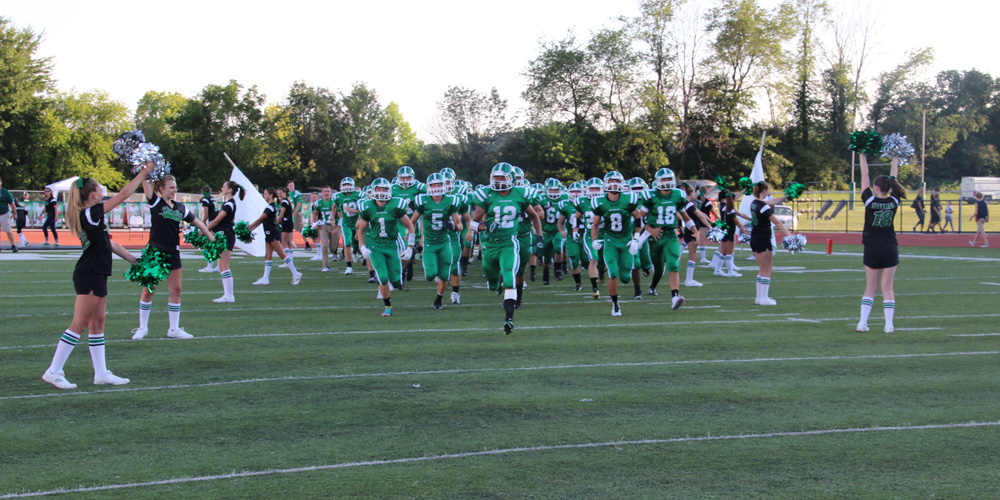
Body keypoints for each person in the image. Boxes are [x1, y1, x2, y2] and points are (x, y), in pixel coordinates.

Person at [41, 162, 152, 389]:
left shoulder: (94, 217)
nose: (104, 193)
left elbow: (109, 244)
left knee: (98, 324)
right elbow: (122, 195)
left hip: (98, 273)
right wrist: (143, 173)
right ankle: (54, 370)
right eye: (101, 190)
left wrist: (136, 261)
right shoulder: (90, 213)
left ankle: (101, 373)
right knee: (79, 324)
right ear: (93, 195)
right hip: (89, 274)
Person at [132, 175, 218, 340]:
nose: (175, 190)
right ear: (162, 189)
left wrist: (212, 240)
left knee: (176, 290)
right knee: (149, 290)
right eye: (171, 187)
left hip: (173, 252)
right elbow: (145, 184)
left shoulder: (180, 208)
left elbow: (199, 223)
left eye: (175, 187)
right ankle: (142, 328)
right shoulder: (156, 202)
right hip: (155, 252)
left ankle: (174, 329)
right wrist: (147, 170)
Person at [467, 163, 542, 333]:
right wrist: (485, 227)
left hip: (510, 242)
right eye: (496, 177)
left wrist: (539, 237)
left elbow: (535, 215)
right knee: (493, 283)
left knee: (510, 275)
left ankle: (509, 319)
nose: (498, 181)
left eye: (502, 177)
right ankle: (495, 284)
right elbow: (473, 223)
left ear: (511, 179)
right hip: (490, 244)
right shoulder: (487, 195)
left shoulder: (520, 194)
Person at [856, 153, 905, 333]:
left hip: (872, 247)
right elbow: (894, 179)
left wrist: (862, 155)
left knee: (870, 288)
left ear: (876, 187)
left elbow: (864, 176)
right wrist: (895, 160)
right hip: (890, 246)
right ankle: (889, 325)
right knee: (887, 288)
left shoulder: (869, 200)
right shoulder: (894, 201)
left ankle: (862, 323)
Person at [634, 168, 696, 308]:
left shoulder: (678, 195)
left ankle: (675, 296)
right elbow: (638, 218)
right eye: (663, 179)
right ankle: (653, 286)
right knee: (658, 266)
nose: (666, 182)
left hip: (670, 235)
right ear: (657, 181)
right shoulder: (650, 196)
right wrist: (650, 229)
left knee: (674, 264)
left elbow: (685, 217)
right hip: (654, 238)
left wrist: (694, 230)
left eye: (668, 179)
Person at [357, 177, 417, 317]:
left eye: (384, 189)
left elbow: (410, 226)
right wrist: (362, 247)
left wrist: (409, 247)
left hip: (392, 245)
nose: (382, 192)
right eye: (379, 189)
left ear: (389, 191)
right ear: (373, 191)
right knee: (383, 277)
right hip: (376, 246)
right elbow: (361, 230)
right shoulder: (367, 206)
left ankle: (400, 274)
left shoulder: (396, 205)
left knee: (396, 282)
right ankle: (388, 307)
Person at [411, 173, 463, 309]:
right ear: (428, 187)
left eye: (439, 184)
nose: (436, 187)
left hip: (444, 242)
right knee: (430, 275)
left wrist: (453, 226)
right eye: (433, 185)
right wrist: (413, 239)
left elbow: (460, 225)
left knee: (445, 275)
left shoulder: (451, 201)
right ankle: (436, 276)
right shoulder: (423, 201)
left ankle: (439, 299)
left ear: (444, 186)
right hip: (429, 242)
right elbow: (412, 221)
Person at [749, 181, 794, 305]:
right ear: (764, 191)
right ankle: (764, 298)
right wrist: (790, 236)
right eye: (768, 189)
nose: (770, 191)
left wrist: (787, 197)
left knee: (762, 269)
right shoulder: (763, 206)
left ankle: (759, 297)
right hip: (763, 239)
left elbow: (772, 202)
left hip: (755, 238)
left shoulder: (754, 203)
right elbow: (778, 222)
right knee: (767, 270)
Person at [248, 187, 303, 285]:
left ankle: (295, 273)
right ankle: (265, 278)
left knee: (282, 254)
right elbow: (260, 221)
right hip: (268, 233)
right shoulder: (269, 206)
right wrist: (249, 229)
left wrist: (248, 229)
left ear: (271, 195)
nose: (264, 195)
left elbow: (259, 220)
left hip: (272, 233)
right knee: (268, 256)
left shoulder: (270, 207)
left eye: (265, 194)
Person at [206, 181, 246, 303]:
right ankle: (227, 295)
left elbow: (217, 220)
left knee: (224, 265)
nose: (221, 188)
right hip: (223, 235)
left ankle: (229, 295)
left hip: (226, 236)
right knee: (222, 265)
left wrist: (204, 229)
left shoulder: (229, 204)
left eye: (224, 186)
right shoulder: (228, 203)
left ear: (229, 190)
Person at [716, 192, 751, 277]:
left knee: (723, 252)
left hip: (724, 231)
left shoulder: (724, 207)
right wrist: (744, 231)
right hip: (729, 231)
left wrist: (751, 219)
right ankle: (730, 271)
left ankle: (717, 270)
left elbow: (741, 214)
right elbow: (737, 222)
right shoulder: (730, 210)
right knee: (729, 252)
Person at [334, 177, 361, 275]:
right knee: (347, 243)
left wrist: (352, 210)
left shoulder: (359, 195)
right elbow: (334, 207)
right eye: (345, 185)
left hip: (357, 222)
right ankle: (349, 266)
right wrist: (334, 218)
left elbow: (362, 210)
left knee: (356, 242)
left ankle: (356, 251)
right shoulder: (338, 196)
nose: (347, 186)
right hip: (346, 223)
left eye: (348, 184)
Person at [311, 186, 337, 272]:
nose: (326, 193)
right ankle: (325, 266)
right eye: (325, 191)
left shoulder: (334, 202)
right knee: (324, 247)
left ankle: (333, 251)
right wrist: (314, 224)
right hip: (324, 226)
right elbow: (315, 214)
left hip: (334, 226)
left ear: (331, 193)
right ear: (322, 193)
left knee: (333, 249)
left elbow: (340, 215)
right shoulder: (319, 203)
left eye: (328, 191)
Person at [198, 185, 219, 273]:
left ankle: (209, 267)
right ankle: (218, 266)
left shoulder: (205, 200)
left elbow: (206, 215)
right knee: (216, 245)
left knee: (209, 245)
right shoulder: (212, 199)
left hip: (212, 223)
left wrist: (202, 225)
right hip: (217, 222)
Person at [0, 176, 18, 252]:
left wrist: (14, 213)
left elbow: (12, 203)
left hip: (4, 213)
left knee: (8, 230)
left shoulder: (5, 192)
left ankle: (13, 245)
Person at [286, 180, 303, 250]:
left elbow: (298, 204)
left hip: (296, 213)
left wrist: (293, 213)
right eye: (290, 185)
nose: (292, 187)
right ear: (287, 187)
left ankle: (308, 243)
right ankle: (290, 242)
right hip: (289, 213)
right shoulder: (288, 194)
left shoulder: (297, 193)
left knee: (300, 228)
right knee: (289, 228)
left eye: (292, 185)